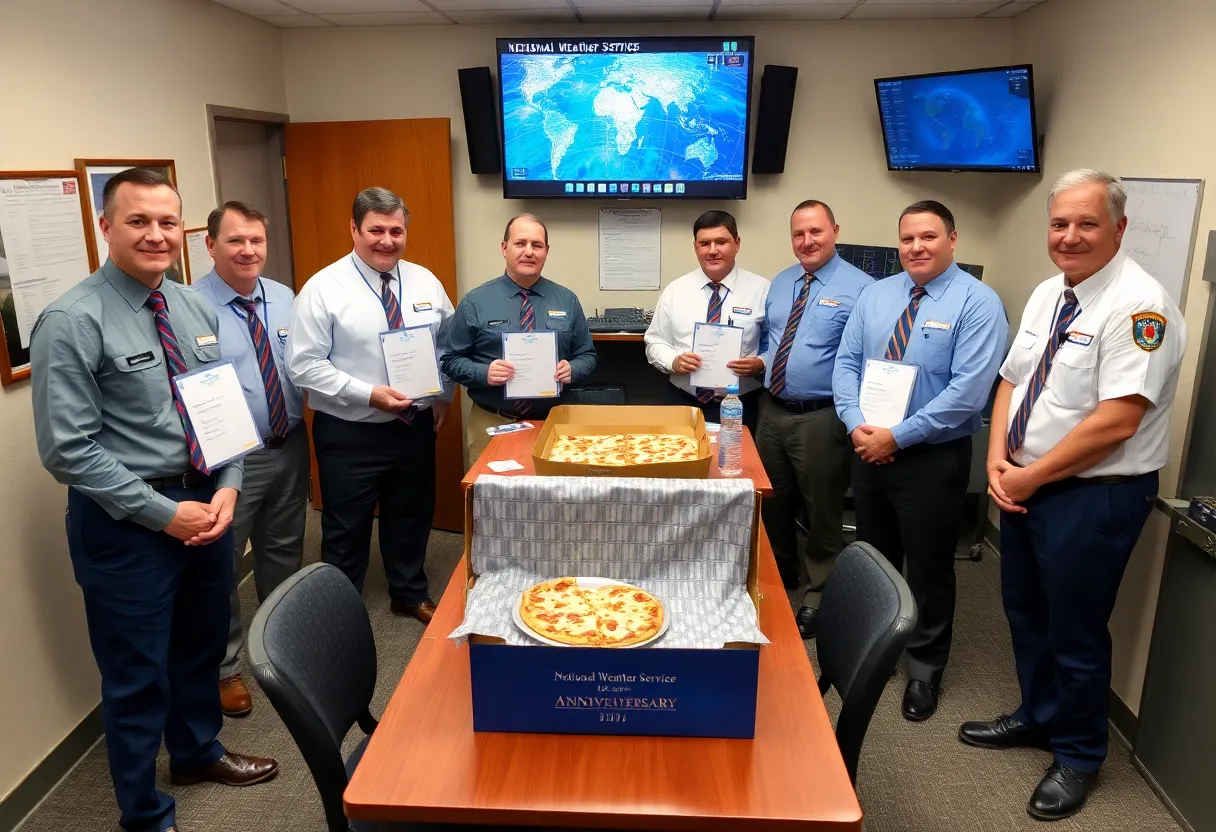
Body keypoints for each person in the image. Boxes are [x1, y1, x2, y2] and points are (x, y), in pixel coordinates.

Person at [30, 168, 277, 832]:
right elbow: (68, 450)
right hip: (128, 527)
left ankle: (196, 753)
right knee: (138, 677)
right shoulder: (72, 320)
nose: (156, 234)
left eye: (168, 222)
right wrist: (165, 514)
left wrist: (228, 488)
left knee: (199, 649)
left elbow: (219, 410)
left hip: (205, 509)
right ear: (106, 228)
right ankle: (144, 814)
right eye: (138, 221)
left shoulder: (190, 305)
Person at [960, 170, 1187, 821]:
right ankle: (1038, 716)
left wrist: (1028, 476)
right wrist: (999, 456)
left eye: (1086, 223)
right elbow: (1010, 381)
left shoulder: (1141, 307)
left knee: (1075, 631)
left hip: (1095, 498)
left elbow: (1118, 419)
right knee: (1026, 611)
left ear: (1119, 227)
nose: (1070, 236)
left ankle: (1080, 755)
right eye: (1060, 223)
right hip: (1027, 481)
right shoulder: (1049, 293)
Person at [833, 200, 1007, 722]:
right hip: (868, 447)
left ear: (952, 240)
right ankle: (876, 648)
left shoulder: (978, 303)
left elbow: (968, 393)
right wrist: (855, 424)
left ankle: (926, 669)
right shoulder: (877, 294)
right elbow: (845, 363)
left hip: (930, 456)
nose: (917, 247)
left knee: (929, 569)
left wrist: (898, 437)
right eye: (908, 239)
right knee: (876, 555)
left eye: (929, 237)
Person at [286, 187, 455, 625]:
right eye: (375, 230)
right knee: (346, 527)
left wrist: (443, 396)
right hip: (350, 431)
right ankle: (340, 611)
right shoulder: (323, 288)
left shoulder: (425, 281)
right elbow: (302, 366)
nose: (386, 240)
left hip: (412, 425)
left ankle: (409, 592)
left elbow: (448, 345)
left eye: (395, 230)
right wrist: (368, 393)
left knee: (412, 514)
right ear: (354, 229)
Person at [194, 201, 307, 718]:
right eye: (235, 240)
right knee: (222, 565)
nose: (248, 250)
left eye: (256, 240)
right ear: (210, 244)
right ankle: (225, 668)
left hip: (289, 444)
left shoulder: (284, 297)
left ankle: (280, 647)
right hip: (230, 463)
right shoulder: (187, 306)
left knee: (284, 551)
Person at [756, 200, 871, 639]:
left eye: (816, 232)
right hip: (772, 410)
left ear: (835, 231)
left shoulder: (862, 288)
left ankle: (819, 591)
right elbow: (773, 343)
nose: (807, 241)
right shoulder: (782, 283)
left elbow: (859, 358)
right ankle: (782, 575)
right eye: (798, 234)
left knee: (822, 507)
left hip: (821, 417)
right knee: (772, 501)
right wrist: (758, 362)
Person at [441, 214, 597, 464]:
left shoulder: (566, 300)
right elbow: (450, 360)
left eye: (536, 245)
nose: (529, 252)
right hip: (493, 422)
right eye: (520, 243)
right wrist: (484, 372)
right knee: (492, 497)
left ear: (546, 251)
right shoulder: (475, 301)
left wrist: (573, 368)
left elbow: (587, 355)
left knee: (553, 498)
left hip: (553, 422)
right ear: (504, 248)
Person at [644, 210, 770, 433]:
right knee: (680, 463)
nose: (712, 251)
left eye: (721, 242)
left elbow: (777, 345)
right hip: (682, 401)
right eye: (704, 243)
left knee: (736, 465)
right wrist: (674, 361)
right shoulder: (676, 290)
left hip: (742, 404)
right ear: (695, 247)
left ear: (737, 243)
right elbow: (655, 340)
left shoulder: (763, 290)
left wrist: (760, 363)